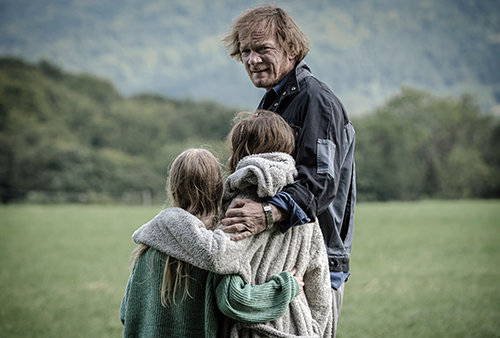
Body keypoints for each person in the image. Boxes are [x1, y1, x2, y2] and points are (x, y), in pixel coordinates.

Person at [220, 5, 356, 336]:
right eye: (246, 51)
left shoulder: (315, 101)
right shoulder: (271, 102)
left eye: (262, 49)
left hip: (314, 265)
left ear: (290, 48)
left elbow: (320, 185)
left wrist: (266, 213)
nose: (252, 60)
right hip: (280, 261)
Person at [133, 111, 333, 337]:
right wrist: (315, 331)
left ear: (241, 150)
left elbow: (229, 291)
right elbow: (320, 289)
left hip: (256, 331)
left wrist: (167, 219)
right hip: (301, 330)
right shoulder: (302, 207)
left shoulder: (242, 206)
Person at [120, 148, 304, 337]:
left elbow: (127, 312)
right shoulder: (217, 247)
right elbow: (237, 302)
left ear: (173, 186)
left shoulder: (147, 246)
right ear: (218, 188)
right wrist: (287, 286)